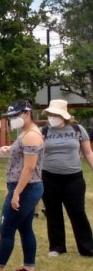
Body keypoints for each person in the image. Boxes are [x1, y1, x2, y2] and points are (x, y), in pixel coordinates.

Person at [0, 99, 45, 271]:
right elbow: (23, 151)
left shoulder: (31, 135)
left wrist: (16, 193)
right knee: (25, 227)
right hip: (25, 187)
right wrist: (9, 148)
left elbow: (29, 168)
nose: (13, 119)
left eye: (16, 115)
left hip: (27, 187)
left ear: (27, 113)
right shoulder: (26, 133)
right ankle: (29, 268)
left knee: (7, 227)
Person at [40, 98, 93, 257]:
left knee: (77, 212)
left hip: (73, 178)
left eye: (54, 114)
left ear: (64, 115)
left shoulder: (77, 129)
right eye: (50, 114)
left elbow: (88, 152)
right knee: (53, 212)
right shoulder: (44, 131)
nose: (51, 117)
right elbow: (32, 149)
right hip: (49, 177)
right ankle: (57, 247)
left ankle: (87, 247)